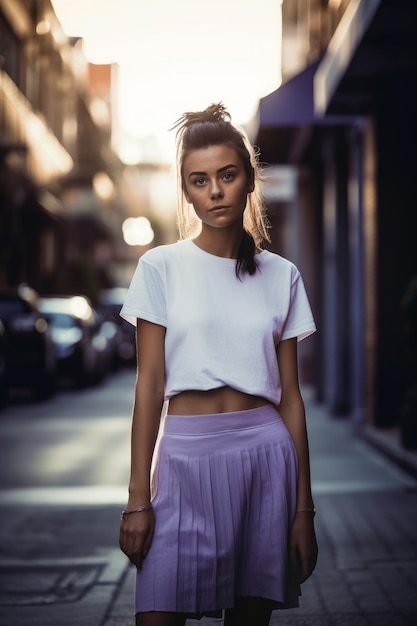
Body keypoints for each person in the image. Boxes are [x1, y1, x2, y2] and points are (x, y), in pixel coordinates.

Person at [119, 103, 318, 626]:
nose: (214, 191)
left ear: (249, 180)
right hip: (183, 462)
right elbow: (149, 386)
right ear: (185, 189)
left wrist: (304, 511)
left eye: (227, 175)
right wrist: (138, 499)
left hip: (265, 461)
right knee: (157, 616)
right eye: (199, 180)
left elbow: (291, 399)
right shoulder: (159, 267)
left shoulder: (282, 275)